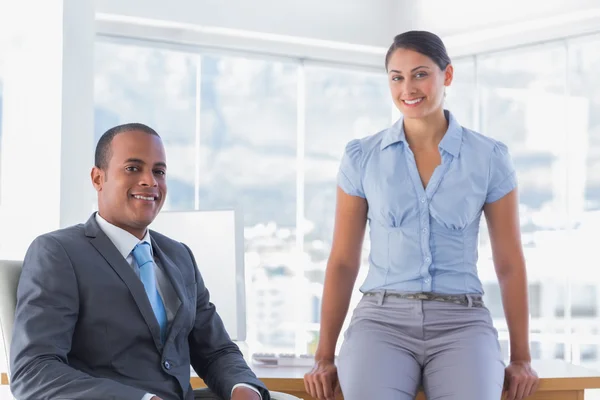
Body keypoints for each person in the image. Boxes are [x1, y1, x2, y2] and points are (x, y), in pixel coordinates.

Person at [303, 31, 539, 400]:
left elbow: (509, 262)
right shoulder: (362, 158)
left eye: (419, 74)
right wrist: (324, 356)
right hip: (381, 322)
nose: (407, 88)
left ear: (447, 76)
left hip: (462, 322)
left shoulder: (490, 158)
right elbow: (343, 261)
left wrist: (521, 358)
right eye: (396, 77)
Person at [10, 123, 269, 400]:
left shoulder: (180, 256)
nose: (150, 181)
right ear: (98, 178)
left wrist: (243, 388)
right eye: (133, 168)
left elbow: (217, 350)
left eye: (159, 171)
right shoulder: (58, 253)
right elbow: (34, 370)